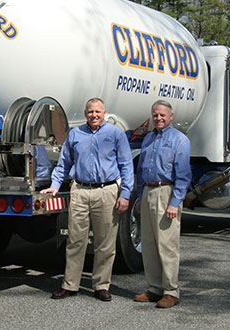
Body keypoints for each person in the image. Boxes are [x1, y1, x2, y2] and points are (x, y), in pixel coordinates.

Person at [41, 97, 133, 302]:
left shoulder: (115, 134)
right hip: (80, 191)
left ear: (104, 112)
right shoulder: (75, 134)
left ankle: (101, 285)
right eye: (90, 112)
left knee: (105, 242)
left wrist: (125, 194)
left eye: (98, 112)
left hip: (106, 191)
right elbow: (64, 163)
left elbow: (127, 165)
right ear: (85, 113)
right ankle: (70, 285)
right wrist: (55, 185)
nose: (94, 115)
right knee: (75, 240)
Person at [134, 100, 191, 308]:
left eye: (162, 115)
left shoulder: (180, 140)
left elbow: (184, 176)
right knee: (148, 244)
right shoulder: (148, 138)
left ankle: (171, 291)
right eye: (155, 115)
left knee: (167, 245)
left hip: (167, 193)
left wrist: (175, 202)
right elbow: (141, 171)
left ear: (171, 116)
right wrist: (141, 197)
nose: (158, 118)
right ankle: (154, 288)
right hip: (148, 191)